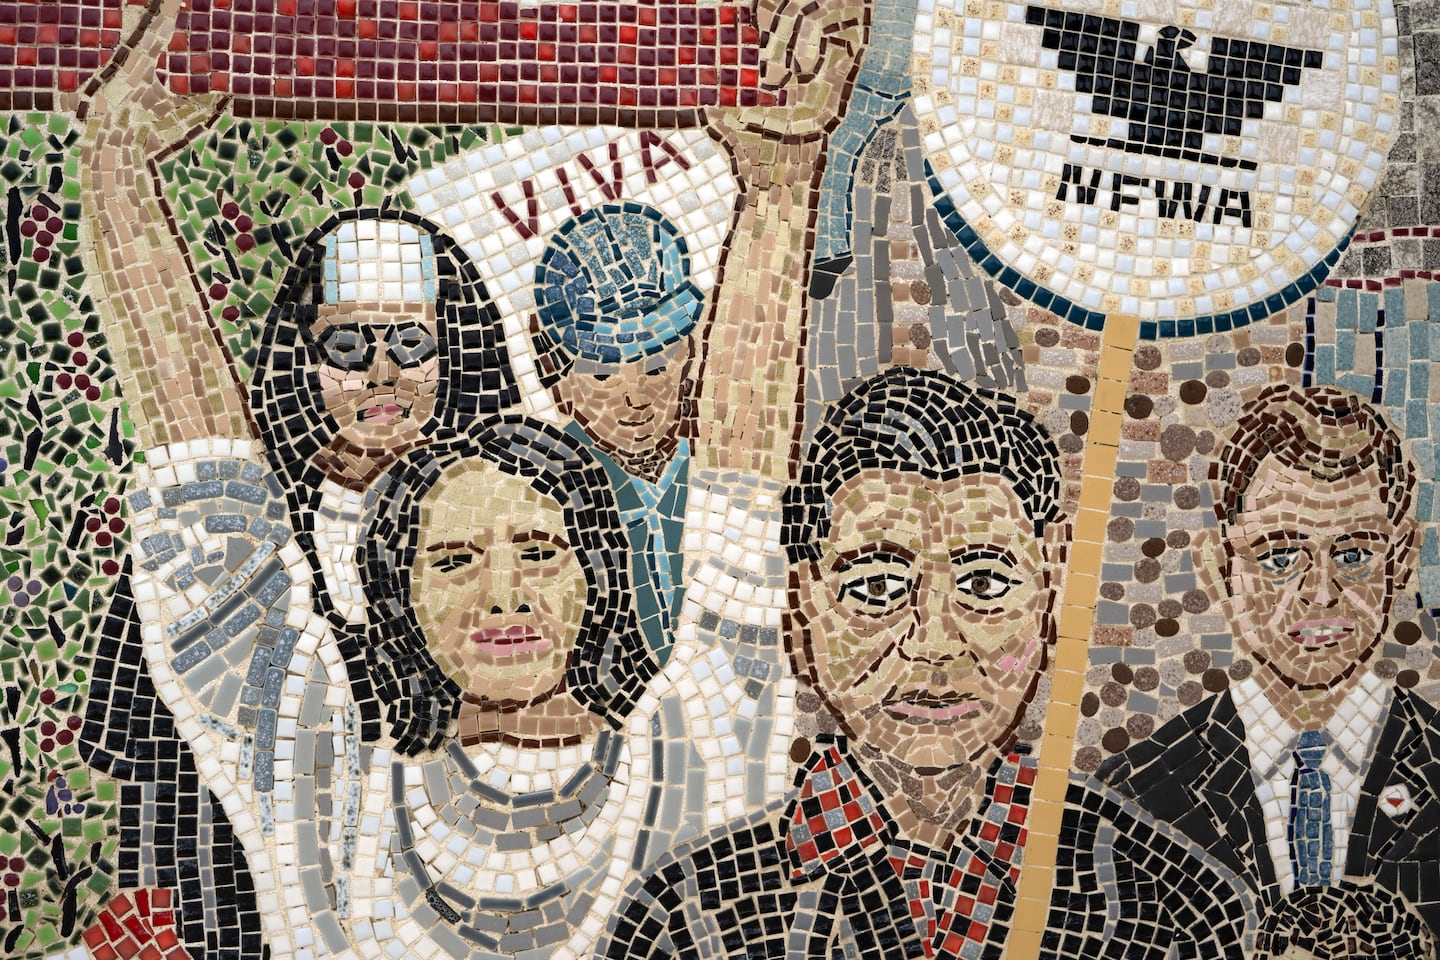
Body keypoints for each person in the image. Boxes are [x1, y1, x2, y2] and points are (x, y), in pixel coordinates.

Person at [597, 367, 1256, 960]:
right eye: (877, 589)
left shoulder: (1177, 910)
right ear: (803, 617)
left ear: (1047, 603)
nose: (934, 642)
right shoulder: (685, 920)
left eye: (986, 586)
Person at [1098, 384, 1440, 937]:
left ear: (1401, 560)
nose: (1321, 592)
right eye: (1281, 556)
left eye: (1354, 555)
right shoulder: (1133, 799)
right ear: (1218, 567)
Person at [318, 416, 660, 958]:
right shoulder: (349, 804)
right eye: (454, 562)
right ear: (402, 599)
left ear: (596, 574)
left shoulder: (677, 758)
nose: (503, 596)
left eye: (540, 553)